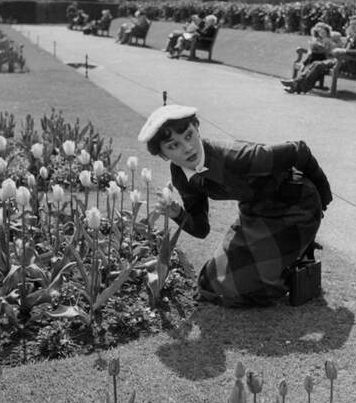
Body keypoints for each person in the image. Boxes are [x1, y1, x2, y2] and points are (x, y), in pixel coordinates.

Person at [138, 104, 332, 307]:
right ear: (162, 154)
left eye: (188, 135)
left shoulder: (235, 156)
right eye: (173, 146)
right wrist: (177, 213)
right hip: (255, 211)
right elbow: (201, 228)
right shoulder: (180, 176)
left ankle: (293, 263)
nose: (187, 148)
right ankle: (281, 257)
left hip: (296, 207)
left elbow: (298, 150)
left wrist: (324, 201)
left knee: (245, 289)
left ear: (197, 128)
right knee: (210, 283)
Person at [281, 15, 356, 94]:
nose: (352, 26)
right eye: (351, 24)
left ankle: (297, 86)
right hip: (343, 61)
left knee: (319, 65)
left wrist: (343, 51)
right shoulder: (354, 35)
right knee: (316, 63)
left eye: (355, 24)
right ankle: (296, 84)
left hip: (351, 65)